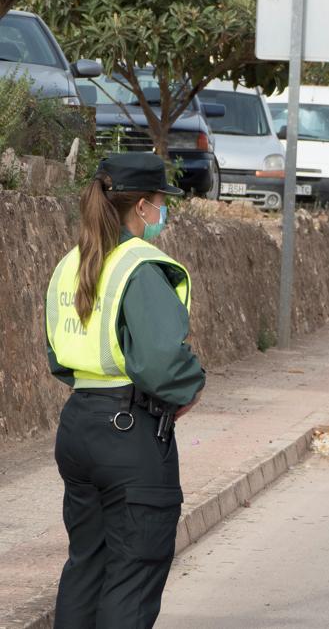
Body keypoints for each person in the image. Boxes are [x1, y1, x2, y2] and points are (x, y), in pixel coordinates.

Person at [44, 152, 205, 628]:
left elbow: (58, 356)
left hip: (79, 426)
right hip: (129, 434)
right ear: (141, 208)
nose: (162, 213)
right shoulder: (138, 265)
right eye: (159, 203)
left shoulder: (69, 264)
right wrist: (191, 386)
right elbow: (163, 362)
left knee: (86, 566)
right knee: (132, 576)